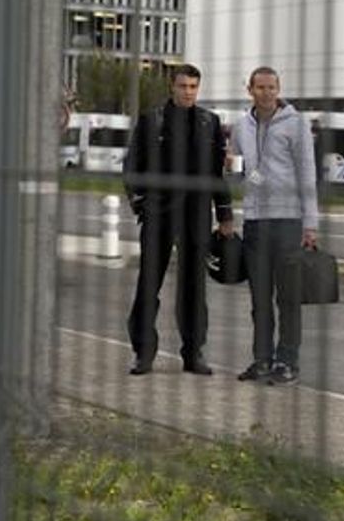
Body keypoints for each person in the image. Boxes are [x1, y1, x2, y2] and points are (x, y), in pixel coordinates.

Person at [123, 63, 234, 376]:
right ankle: (143, 353)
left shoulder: (210, 122)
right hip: (158, 214)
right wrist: (141, 203)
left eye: (193, 87)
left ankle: (193, 352)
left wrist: (225, 214)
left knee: (193, 288)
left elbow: (216, 173)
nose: (188, 92)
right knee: (149, 284)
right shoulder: (151, 121)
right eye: (183, 86)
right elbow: (132, 167)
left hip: (196, 216)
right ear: (172, 87)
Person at [229, 67, 319, 385]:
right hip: (255, 221)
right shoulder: (242, 125)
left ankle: (288, 361)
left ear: (279, 89)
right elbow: (238, 173)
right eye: (261, 87)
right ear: (249, 90)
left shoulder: (296, 124)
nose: (267, 92)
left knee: (288, 298)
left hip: (288, 221)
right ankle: (262, 359)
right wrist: (230, 165)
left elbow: (307, 174)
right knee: (259, 299)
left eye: (272, 87)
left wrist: (311, 223)